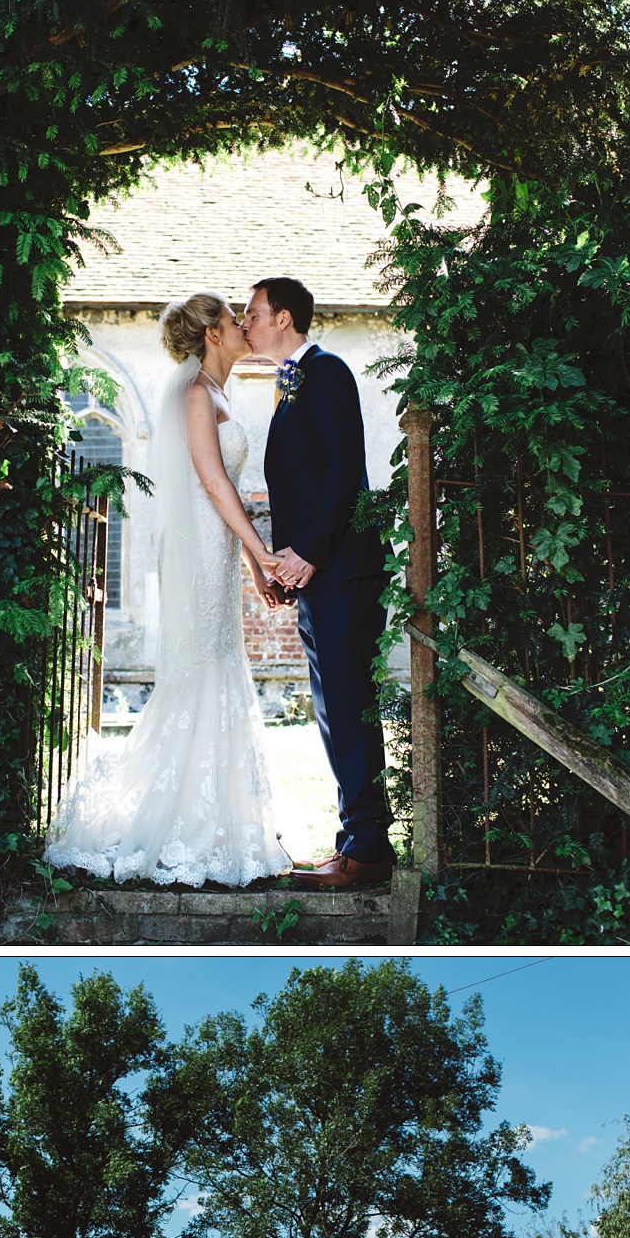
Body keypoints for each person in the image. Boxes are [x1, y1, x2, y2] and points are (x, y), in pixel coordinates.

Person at [44, 294, 292, 889]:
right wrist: (262, 553)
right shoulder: (193, 395)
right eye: (234, 320)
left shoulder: (221, 394)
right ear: (211, 333)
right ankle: (181, 821)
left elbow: (225, 487)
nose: (242, 327)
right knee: (199, 669)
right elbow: (210, 479)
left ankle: (216, 819)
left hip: (221, 548)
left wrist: (253, 566)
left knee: (217, 663)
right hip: (202, 548)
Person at [241, 277, 394, 890]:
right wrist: (289, 566)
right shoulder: (288, 384)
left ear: (282, 318)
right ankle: (355, 841)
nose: (243, 322)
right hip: (321, 574)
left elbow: (344, 471)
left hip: (343, 571)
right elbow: (306, 487)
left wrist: (310, 553)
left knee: (348, 708)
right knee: (334, 709)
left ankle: (367, 851)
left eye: (251, 313)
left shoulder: (325, 372)